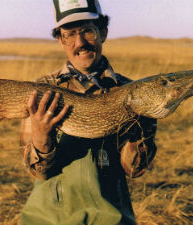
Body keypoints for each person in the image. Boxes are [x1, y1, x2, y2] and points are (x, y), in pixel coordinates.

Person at [19, 1, 157, 224]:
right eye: (69, 34)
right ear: (60, 40)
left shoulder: (130, 91)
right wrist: (41, 137)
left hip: (108, 218)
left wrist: (141, 131)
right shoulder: (42, 89)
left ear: (103, 32)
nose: (80, 43)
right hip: (50, 218)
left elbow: (134, 169)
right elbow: (38, 172)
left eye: (87, 31)